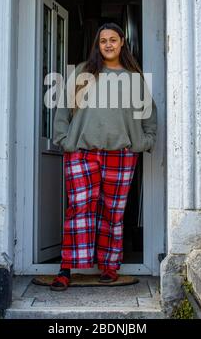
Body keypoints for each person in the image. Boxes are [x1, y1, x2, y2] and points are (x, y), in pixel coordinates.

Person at [50, 22, 157, 291]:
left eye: (112, 39)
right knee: (79, 209)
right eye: (102, 41)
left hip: (121, 155)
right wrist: (64, 140)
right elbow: (63, 110)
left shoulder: (134, 77)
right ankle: (67, 268)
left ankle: (109, 266)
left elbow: (149, 114)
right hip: (82, 152)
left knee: (113, 211)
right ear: (97, 45)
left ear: (122, 42)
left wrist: (145, 140)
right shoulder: (83, 74)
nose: (108, 44)